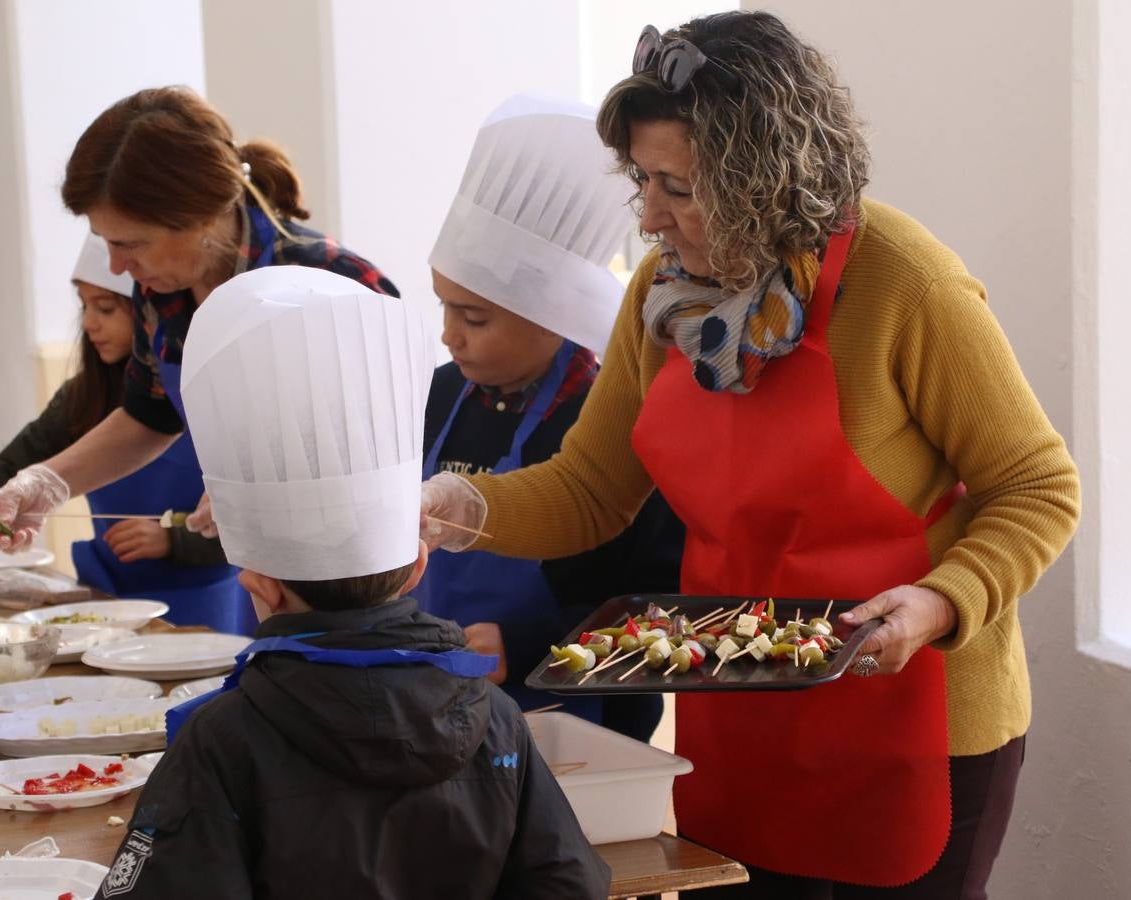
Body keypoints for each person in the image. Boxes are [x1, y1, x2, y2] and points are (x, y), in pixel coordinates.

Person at [420, 11, 1081, 898]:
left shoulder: (904, 282)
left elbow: (1037, 486)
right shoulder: (662, 298)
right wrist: (463, 507)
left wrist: (938, 602)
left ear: (767, 179)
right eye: (642, 181)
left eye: (679, 188)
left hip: (912, 711)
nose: (649, 216)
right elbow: (590, 489)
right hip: (741, 714)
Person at [99, 266, 608, 900]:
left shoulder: (222, 736)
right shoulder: (496, 719)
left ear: (260, 585)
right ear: (419, 565)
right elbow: (568, 882)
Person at [0, 86, 399, 600]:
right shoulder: (160, 294)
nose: (116, 266)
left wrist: (275, 485)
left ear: (199, 217)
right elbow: (149, 415)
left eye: (128, 243)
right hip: (255, 578)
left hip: (348, 584)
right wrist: (49, 481)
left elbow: (388, 448)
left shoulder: (333, 282)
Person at [422, 94, 684, 741]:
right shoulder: (436, 396)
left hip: (579, 733)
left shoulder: (604, 419)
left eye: (474, 318)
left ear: (551, 312)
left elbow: (660, 609)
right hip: (437, 718)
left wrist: (531, 642)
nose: (449, 336)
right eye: (444, 309)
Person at [0, 234, 247, 629]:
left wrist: (175, 540)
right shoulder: (83, 398)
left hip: (205, 601)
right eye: (84, 306)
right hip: (107, 597)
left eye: (105, 308)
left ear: (150, 314)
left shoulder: (207, 393)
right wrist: (5, 502)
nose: (88, 323)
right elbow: (5, 476)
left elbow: (254, 514)